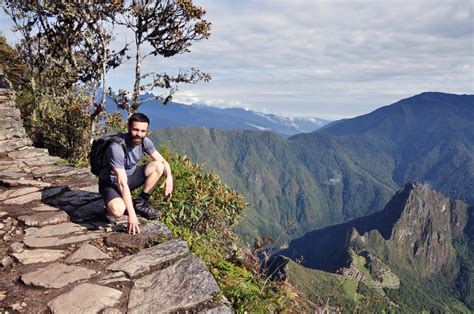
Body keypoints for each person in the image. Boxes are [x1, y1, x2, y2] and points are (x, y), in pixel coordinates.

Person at [98, 113, 173, 235]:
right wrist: (132, 216)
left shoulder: (144, 142)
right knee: (118, 211)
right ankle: (114, 205)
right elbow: (122, 183)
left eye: (143, 131)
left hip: (131, 177)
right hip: (111, 183)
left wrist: (169, 177)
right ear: (128, 128)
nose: (139, 134)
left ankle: (140, 203)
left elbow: (163, 161)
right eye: (135, 129)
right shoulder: (116, 147)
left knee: (159, 166)